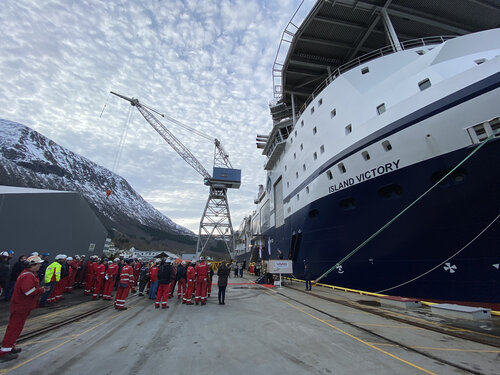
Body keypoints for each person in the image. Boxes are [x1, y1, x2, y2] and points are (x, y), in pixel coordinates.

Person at [0, 256, 48, 362]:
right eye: (38, 263)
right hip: (21, 306)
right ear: (33, 265)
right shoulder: (28, 277)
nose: (40, 265)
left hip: (23, 306)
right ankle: (4, 352)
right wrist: (41, 290)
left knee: (16, 328)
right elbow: (28, 292)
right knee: (14, 328)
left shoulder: (29, 274)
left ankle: (10, 347)